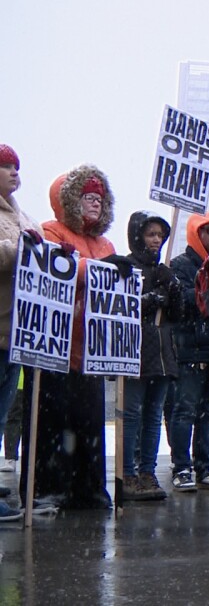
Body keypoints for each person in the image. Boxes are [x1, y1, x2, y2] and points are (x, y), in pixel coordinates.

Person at [25, 164, 129, 510]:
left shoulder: (105, 243)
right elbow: (57, 268)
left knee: (89, 423)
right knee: (52, 423)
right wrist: (104, 268)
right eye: (87, 196)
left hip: (90, 351)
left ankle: (89, 488)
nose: (96, 202)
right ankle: (47, 489)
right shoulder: (50, 231)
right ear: (68, 200)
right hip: (55, 347)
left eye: (99, 197)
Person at [168, 212, 209, 492]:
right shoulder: (181, 265)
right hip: (192, 349)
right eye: (208, 231)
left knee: (207, 413)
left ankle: (204, 466)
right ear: (196, 233)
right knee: (185, 411)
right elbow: (184, 302)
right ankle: (181, 466)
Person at [122, 211, 183, 502]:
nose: (157, 240)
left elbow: (179, 316)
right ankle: (127, 473)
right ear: (138, 236)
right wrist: (146, 299)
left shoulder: (164, 271)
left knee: (153, 416)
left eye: (160, 235)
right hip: (135, 351)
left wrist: (174, 289)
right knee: (132, 414)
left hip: (161, 353)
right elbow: (119, 307)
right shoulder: (126, 267)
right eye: (151, 234)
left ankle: (147, 470)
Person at [0, 144, 40, 496]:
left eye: (16, 166)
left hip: (15, 334)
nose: (14, 172)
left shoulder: (23, 217)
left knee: (2, 413)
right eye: (6, 166)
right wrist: (20, 250)